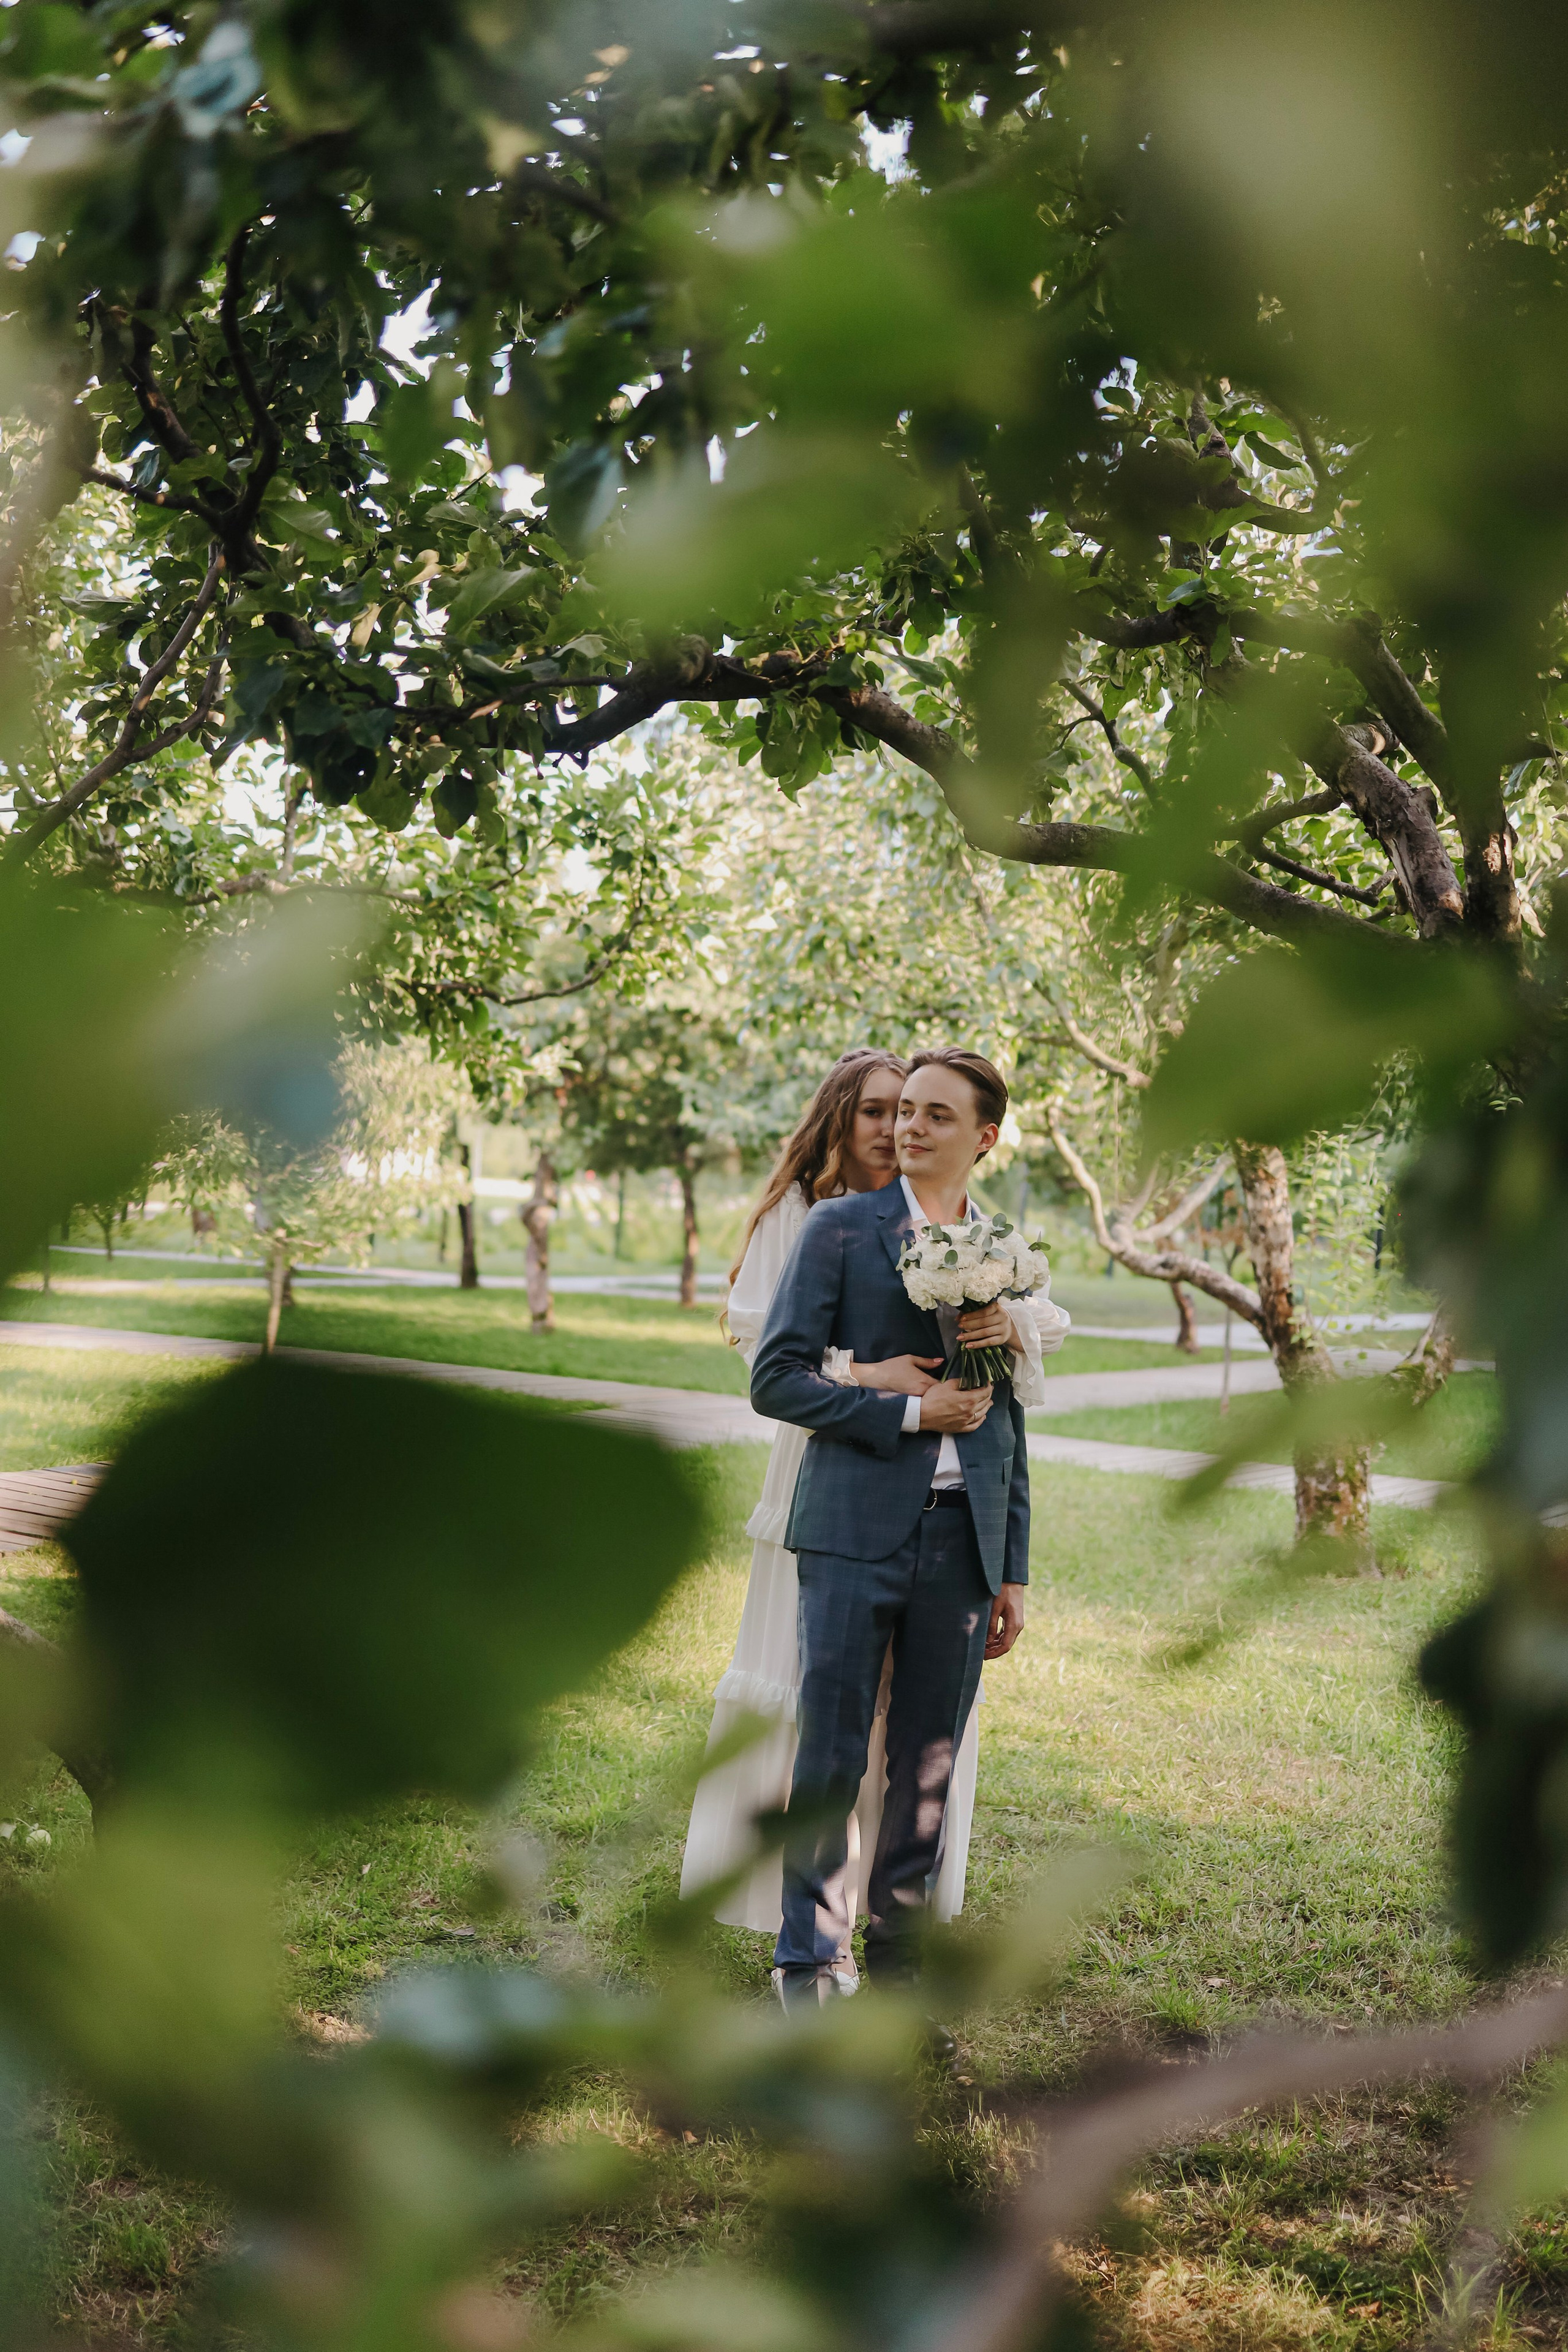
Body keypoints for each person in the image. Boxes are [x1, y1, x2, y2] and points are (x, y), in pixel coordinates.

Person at [679, 1052, 1068, 1965]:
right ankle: (807, 1963)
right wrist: (904, 1410)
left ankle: (901, 1974)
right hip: (851, 1532)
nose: (910, 1128)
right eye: (904, 1114)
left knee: (927, 1766)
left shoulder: (1010, 1253)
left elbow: (1007, 1425)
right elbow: (775, 1379)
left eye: (937, 1116)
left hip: (963, 1550)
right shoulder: (841, 1230)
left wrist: (1010, 1566)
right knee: (831, 1756)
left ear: (985, 1137)